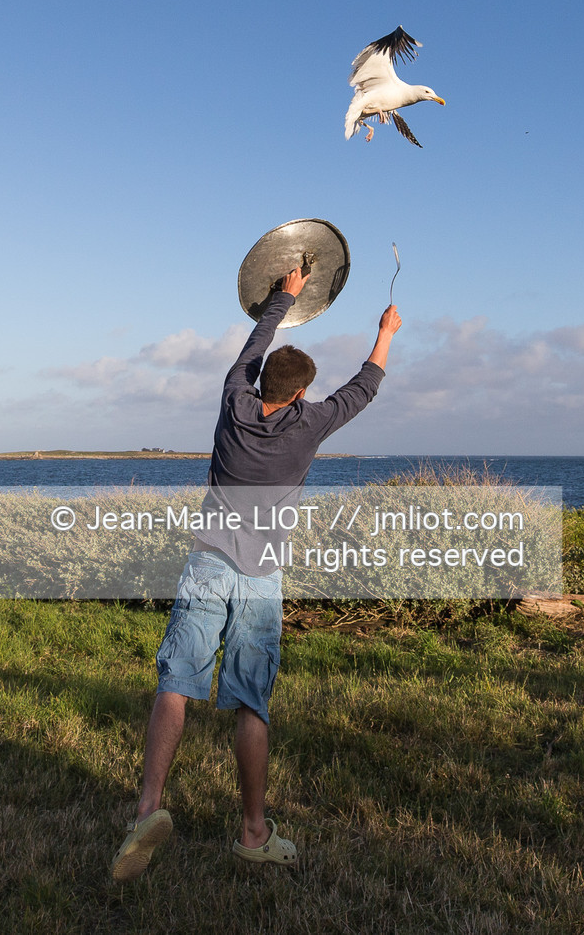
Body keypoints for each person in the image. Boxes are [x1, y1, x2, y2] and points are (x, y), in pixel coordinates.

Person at [111, 267, 402, 879]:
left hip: (207, 564)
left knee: (176, 683)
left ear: (262, 382)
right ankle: (252, 832)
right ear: (300, 395)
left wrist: (285, 296)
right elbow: (366, 386)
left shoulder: (234, 400)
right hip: (260, 577)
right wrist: (385, 332)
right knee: (250, 703)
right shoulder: (310, 424)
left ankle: (147, 809)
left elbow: (252, 347)